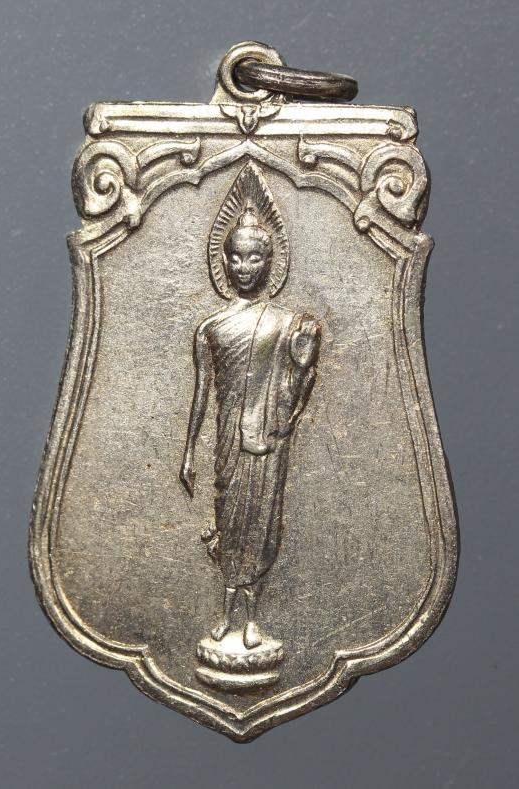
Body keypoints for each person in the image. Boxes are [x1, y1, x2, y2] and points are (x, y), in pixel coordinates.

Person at [180, 202, 321, 649]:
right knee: (229, 518)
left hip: (267, 439)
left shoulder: (286, 323)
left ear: (270, 262)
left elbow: (296, 386)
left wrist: (302, 362)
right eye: (236, 258)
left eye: (254, 257)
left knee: (261, 523)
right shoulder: (211, 327)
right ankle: (227, 615)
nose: (245, 267)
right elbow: (201, 393)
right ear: (223, 261)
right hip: (227, 439)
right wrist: (188, 453)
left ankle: (254, 618)